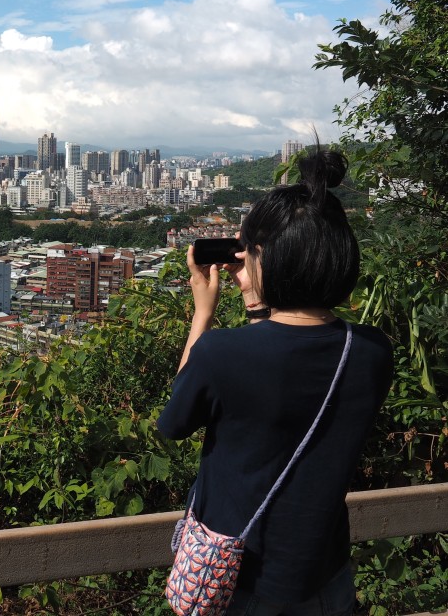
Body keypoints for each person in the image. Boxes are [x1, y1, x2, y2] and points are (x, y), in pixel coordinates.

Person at [157, 145, 392, 615]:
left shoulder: (222, 352)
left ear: (262, 257)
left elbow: (173, 423)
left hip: (241, 582)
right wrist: (259, 297)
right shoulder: (371, 350)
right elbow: (290, 354)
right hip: (326, 577)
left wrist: (203, 312)